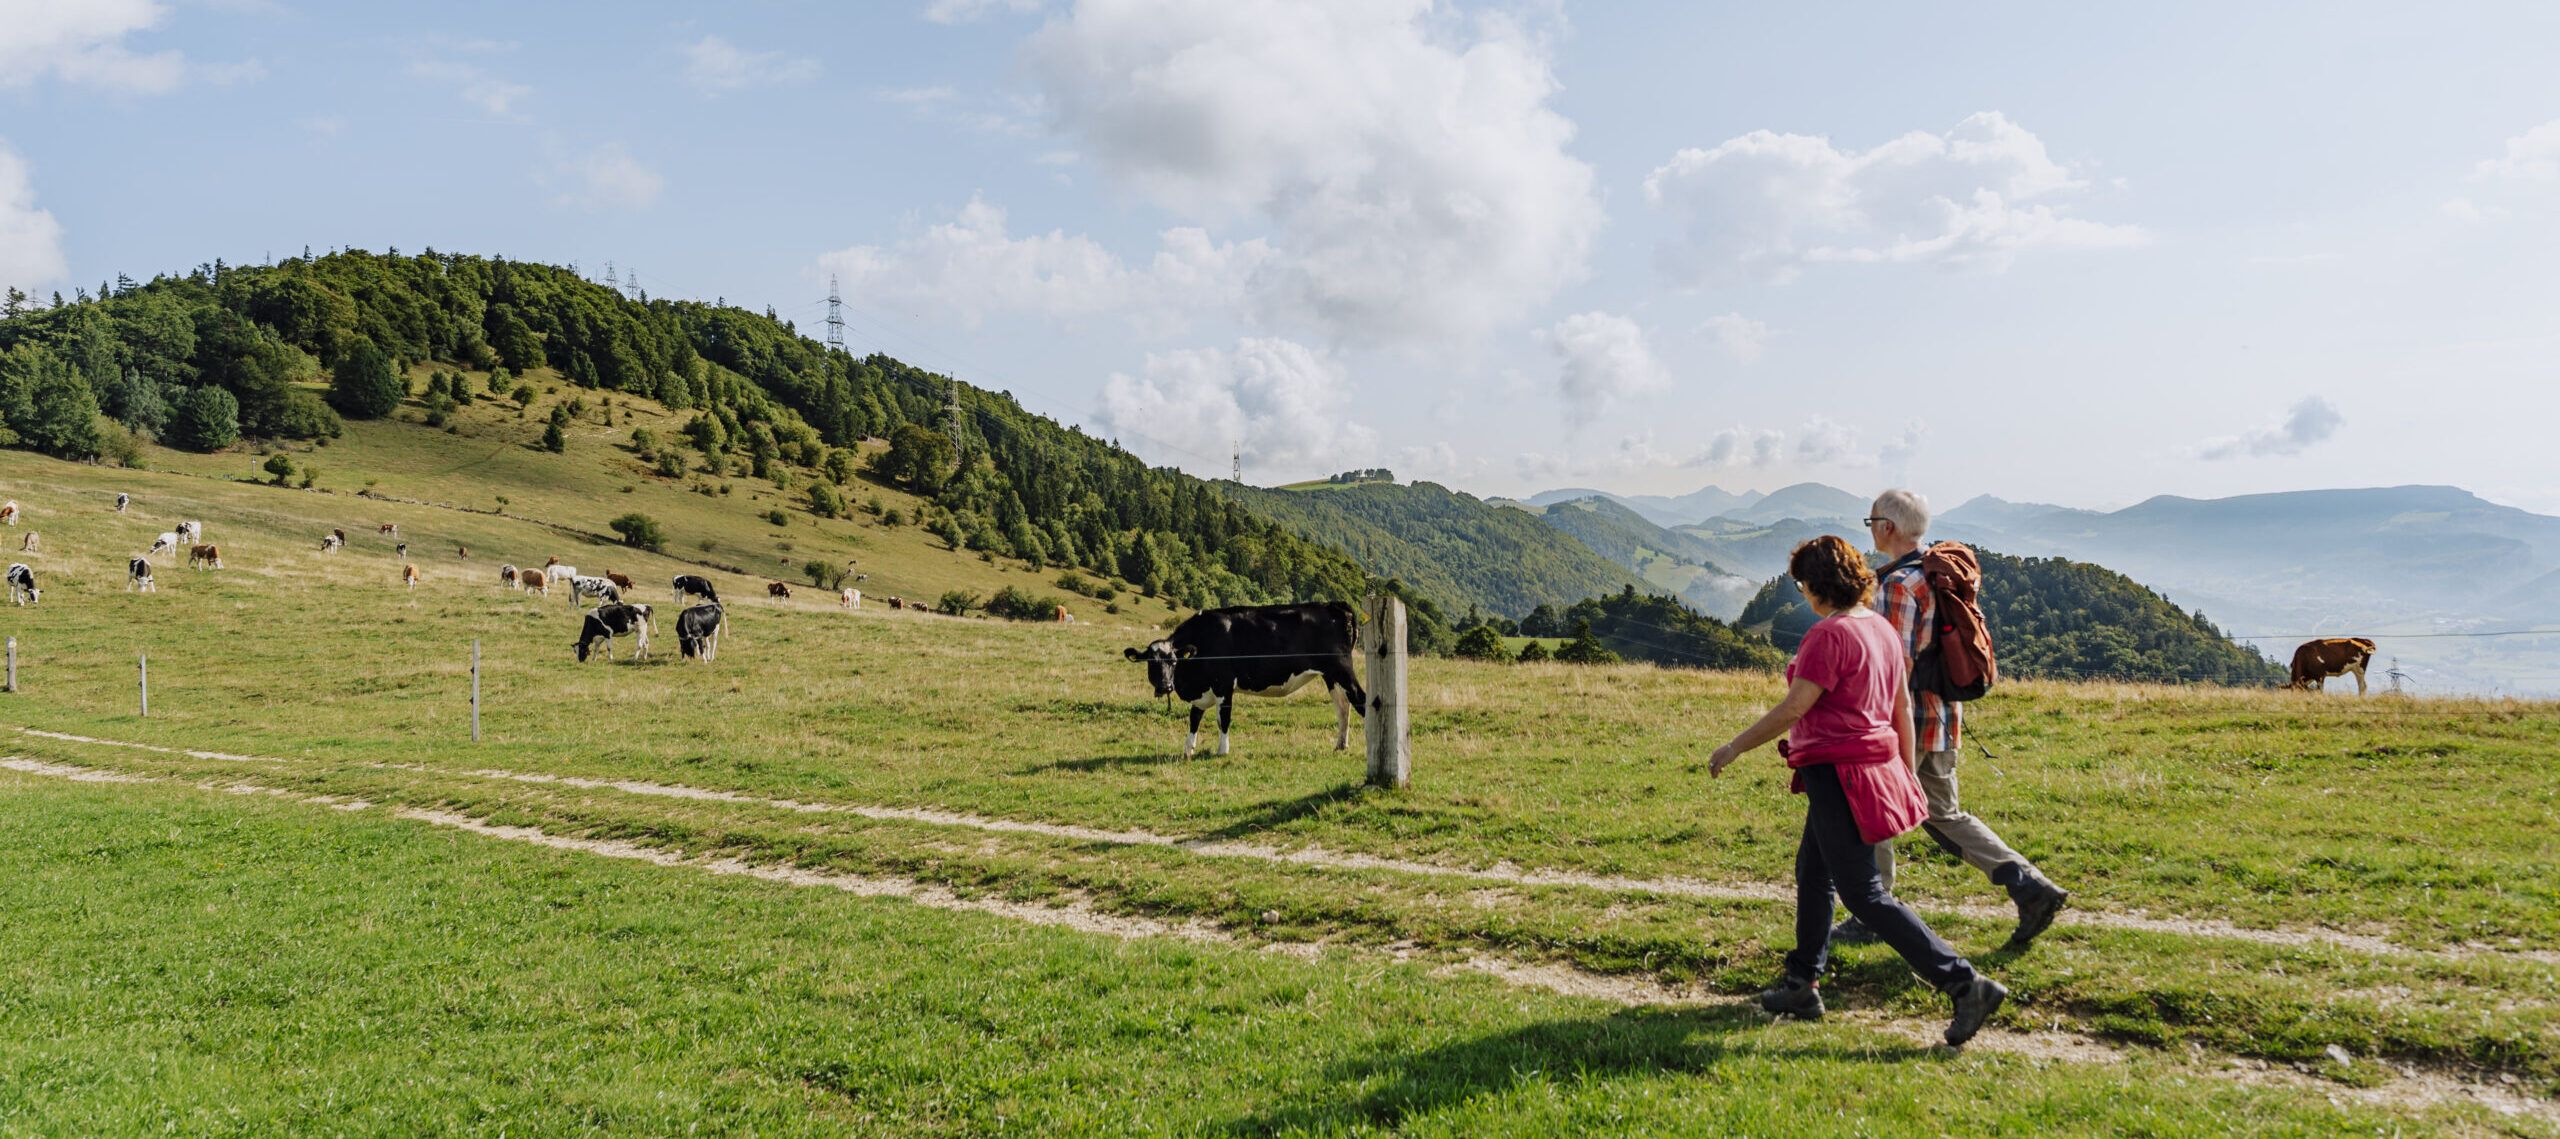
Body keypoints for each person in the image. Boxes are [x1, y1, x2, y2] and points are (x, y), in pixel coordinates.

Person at [1710, 535, 2007, 1046]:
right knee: (1813, 871)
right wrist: (1907, 772)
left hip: (1838, 773)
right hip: (1869, 769)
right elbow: (1899, 707)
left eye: (1803, 584)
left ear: (1818, 585)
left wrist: (1734, 747)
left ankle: (1964, 983)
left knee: (1865, 895)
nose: (1803, 593)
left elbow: (1794, 708)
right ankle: (1802, 982)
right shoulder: (1881, 630)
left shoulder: (1828, 636)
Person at [1843, 489, 2067, 949]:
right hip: (1944, 715)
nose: (1870, 530)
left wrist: (1872, 721)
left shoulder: (1898, 587)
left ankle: (1874, 909)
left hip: (1906, 718)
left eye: (1871, 522)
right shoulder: (1933, 573)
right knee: (1943, 813)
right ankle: (2031, 886)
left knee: (1871, 810)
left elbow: (1896, 665)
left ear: (1887, 527)